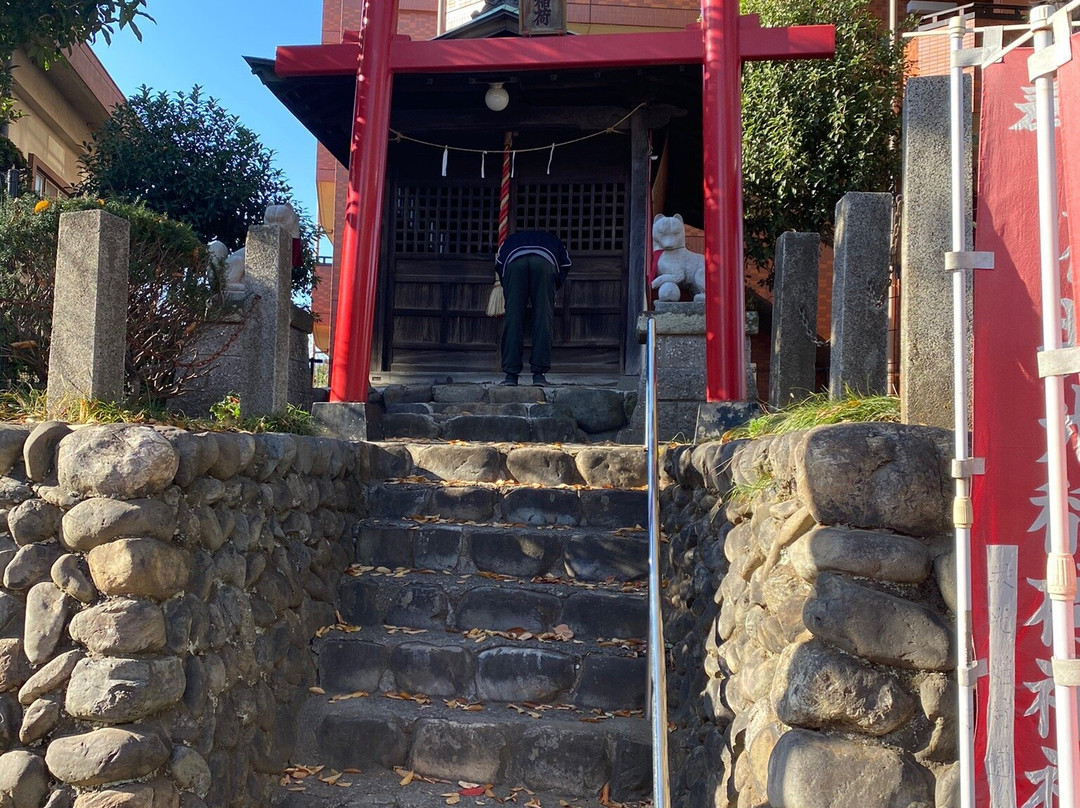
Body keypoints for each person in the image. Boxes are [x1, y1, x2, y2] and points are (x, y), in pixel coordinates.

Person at [494, 229, 571, 386]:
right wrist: (553, 285)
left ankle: (511, 375)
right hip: (544, 262)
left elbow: (499, 264)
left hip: (514, 262)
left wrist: (507, 286)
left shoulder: (511, 240)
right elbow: (566, 263)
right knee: (543, 317)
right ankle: (539, 375)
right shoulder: (553, 240)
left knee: (513, 318)